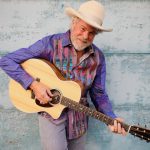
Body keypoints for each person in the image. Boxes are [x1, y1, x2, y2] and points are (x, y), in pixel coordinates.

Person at [0, 1, 126, 150]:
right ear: (74, 22)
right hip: (51, 115)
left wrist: (111, 118)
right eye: (83, 28)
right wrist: (34, 84)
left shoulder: (98, 58)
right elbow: (6, 61)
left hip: (79, 119)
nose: (85, 36)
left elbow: (98, 93)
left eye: (92, 33)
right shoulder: (51, 44)